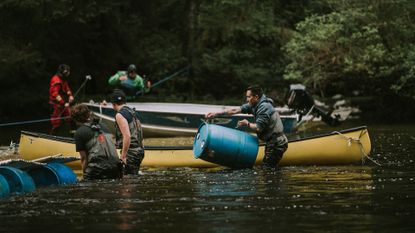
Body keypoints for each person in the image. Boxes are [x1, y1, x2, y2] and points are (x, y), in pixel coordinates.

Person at [205, 85, 288, 168]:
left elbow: (258, 127)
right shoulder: (254, 104)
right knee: (269, 169)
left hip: (277, 143)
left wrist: (247, 123)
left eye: (248, 97)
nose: (247, 99)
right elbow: (235, 110)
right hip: (272, 142)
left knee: (268, 169)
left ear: (256, 97)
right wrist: (216, 114)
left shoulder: (264, 107)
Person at [71, 104, 123, 180]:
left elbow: (84, 158)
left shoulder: (79, 133)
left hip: (97, 170)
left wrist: (84, 176)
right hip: (116, 169)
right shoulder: (104, 126)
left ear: (75, 119)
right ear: (88, 114)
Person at [110, 89, 145, 175]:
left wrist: (123, 156)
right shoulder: (134, 112)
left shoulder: (120, 115)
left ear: (113, 104)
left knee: (126, 183)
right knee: (132, 179)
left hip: (131, 153)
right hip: (139, 151)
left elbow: (127, 136)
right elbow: (140, 134)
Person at [49, 64, 74, 135]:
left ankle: (73, 137)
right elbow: (55, 94)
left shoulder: (63, 79)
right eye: (67, 72)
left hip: (63, 104)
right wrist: (63, 103)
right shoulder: (56, 80)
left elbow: (67, 88)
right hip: (56, 105)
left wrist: (70, 95)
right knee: (56, 124)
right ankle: (52, 139)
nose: (68, 73)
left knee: (71, 118)